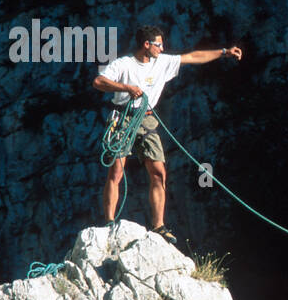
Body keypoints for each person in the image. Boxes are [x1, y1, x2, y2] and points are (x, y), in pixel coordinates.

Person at [92, 24, 242, 242]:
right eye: (158, 45)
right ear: (146, 45)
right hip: (123, 117)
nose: (162, 49)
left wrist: (223, 52)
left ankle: (158, 226)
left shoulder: (162, 63)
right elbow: (98, 82)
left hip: (147, 118)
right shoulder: (123, 65)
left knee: (158, 172)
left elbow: (193, 57)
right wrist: (126, 88)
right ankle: (109, 222)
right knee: (116, 173)